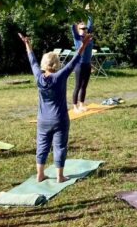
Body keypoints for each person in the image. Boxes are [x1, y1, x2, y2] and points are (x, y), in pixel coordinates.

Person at [19, 31, 92, 183]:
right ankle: (60, 176)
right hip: (60, 119)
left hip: (43, 120)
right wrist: (84, 44)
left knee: (42, 146)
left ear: (44, 63)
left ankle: (40, 175)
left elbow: (32, 61)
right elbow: (74, 60)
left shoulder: (39, 77)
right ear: (56, 64)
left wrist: (28, 44)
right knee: (59, 147)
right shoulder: (60, 76)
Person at [70, 16, 94, 113]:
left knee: (84, 86)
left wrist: (89, 12)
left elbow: (90, 22)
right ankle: (75, 107)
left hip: (87, 65)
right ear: (78, 30)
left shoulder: (89, 37)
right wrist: (72, 14)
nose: (84, 30)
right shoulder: (77, 38)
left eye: (85, 28)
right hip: (79, 65)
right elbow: (72, 26)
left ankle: (81, 105)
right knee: (78, 86)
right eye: (82, 28)